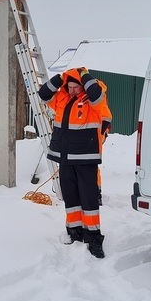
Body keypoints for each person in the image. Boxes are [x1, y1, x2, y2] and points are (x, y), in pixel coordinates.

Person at [38, 67, 112, 258]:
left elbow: (96, 95)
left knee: (88, 200)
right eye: (69, 87)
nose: (71, 90)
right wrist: (63, 77)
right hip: (65, 158)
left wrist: (83, 75)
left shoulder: (94, 101)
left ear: (83, 86)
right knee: (71, 199)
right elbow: (43, 93)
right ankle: (74, 231)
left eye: (75, 87)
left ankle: (94, 237)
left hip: (86, 159)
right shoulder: (62, 99)